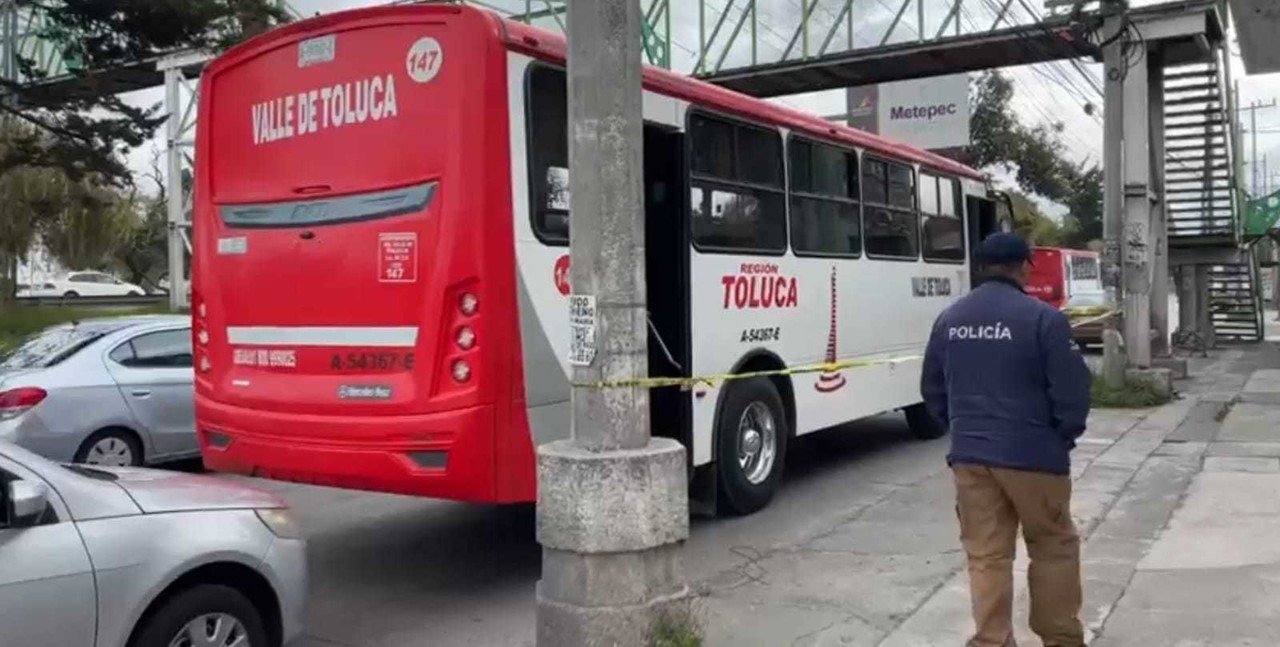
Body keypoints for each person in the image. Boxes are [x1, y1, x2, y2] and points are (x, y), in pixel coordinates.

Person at [921, 232, 1092, 647]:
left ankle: (992, 640)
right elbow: (1072, 392)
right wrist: (1061, 436)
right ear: (1023, 266)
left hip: (971, 456)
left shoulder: (949, 320)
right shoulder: (1043, 319)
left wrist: (964, 428)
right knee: (1052, 547)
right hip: (1035, 455)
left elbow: (932, 390)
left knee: (986, 556)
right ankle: (1060, 639)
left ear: (980, 267)